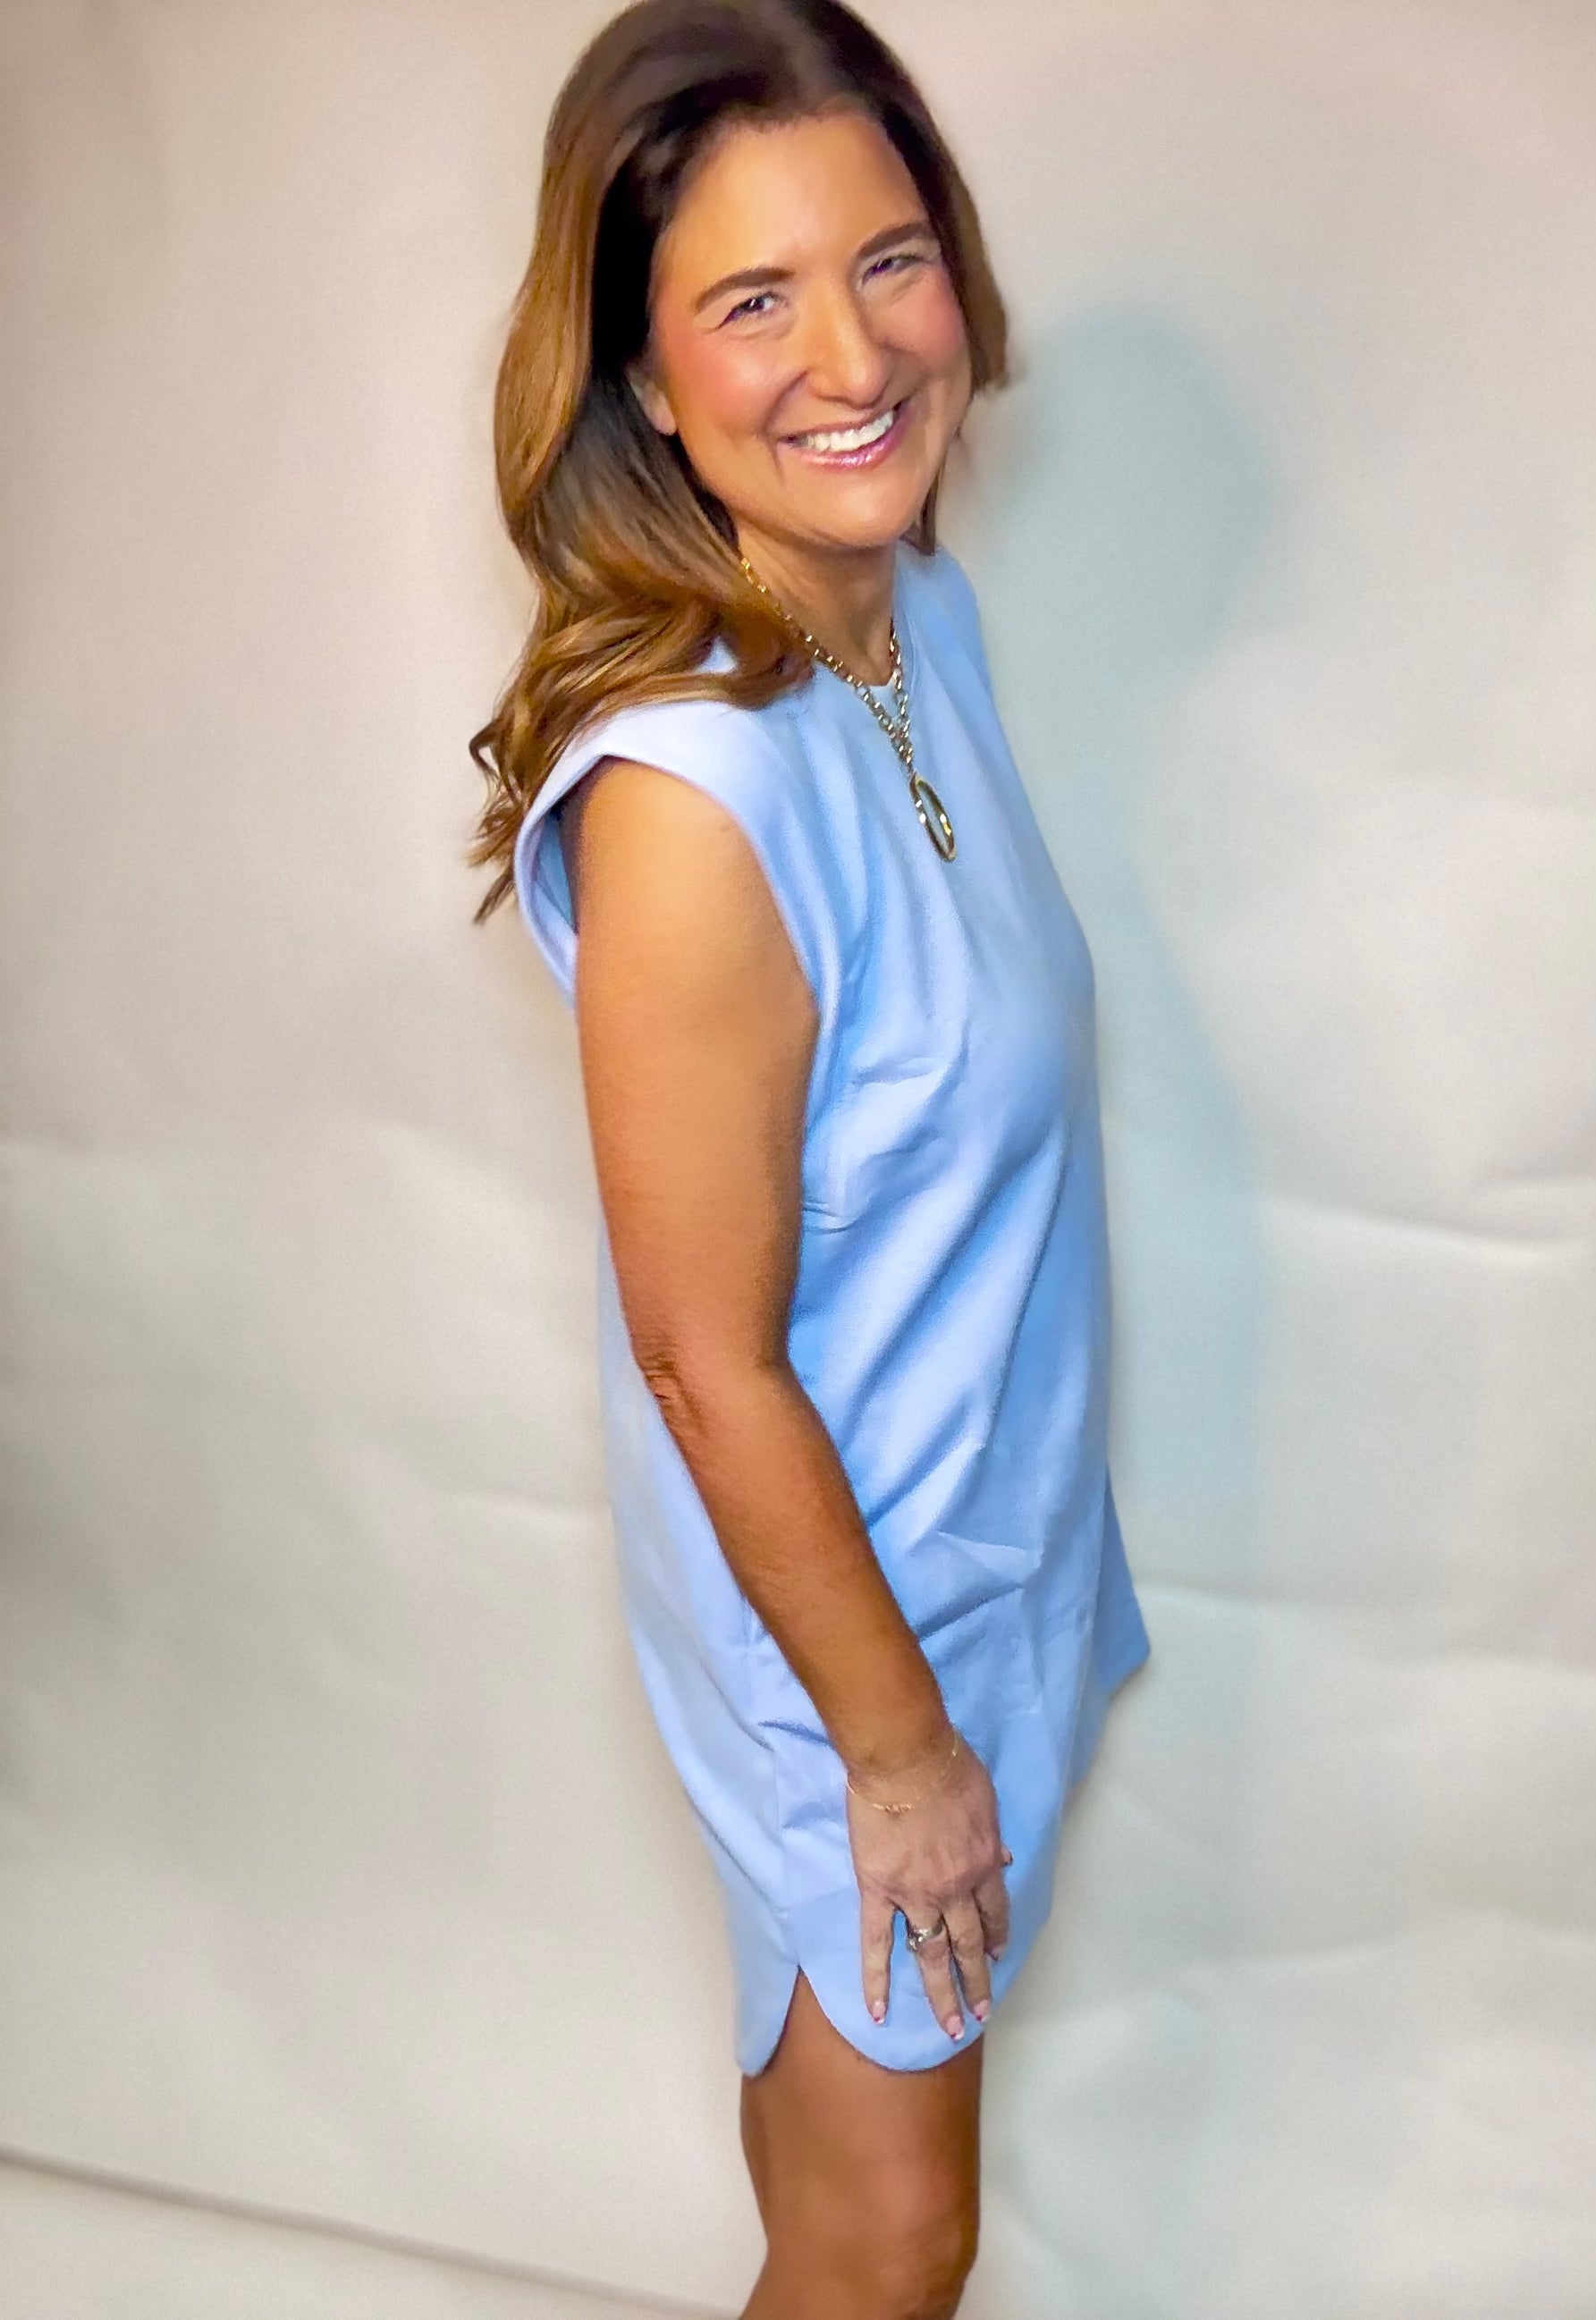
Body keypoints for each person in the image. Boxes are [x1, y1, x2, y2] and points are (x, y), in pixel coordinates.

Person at [469, 4, 1150, 2312]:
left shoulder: (906, 622)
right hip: (850, 1647)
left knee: (841, 2203)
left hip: (966, 1560)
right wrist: (895, 1748)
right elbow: (704, 1355)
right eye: (751, 299)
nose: (852, 357)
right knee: (887, 2241)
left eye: (888, 260)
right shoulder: (693, 795)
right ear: (646, 382)